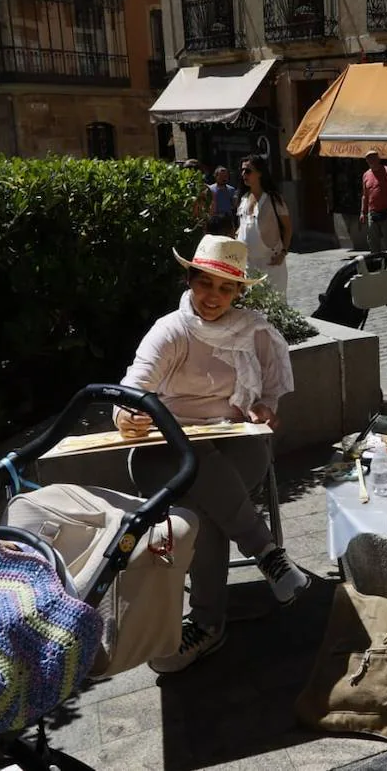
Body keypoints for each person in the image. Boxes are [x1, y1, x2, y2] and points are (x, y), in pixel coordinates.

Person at [115, 234, 309, 672]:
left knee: (200, 494)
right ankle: (265, 553)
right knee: (196, 479)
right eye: (205, 284)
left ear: (240, 292)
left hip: (234, 447)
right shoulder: (172, 331)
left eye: (226, 288)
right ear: (190, 280)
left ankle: (205, 626)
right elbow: (132, 389)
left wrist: (264, 408)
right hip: (162, 454)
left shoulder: (253, 330)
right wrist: (127, 417)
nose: (214, 297)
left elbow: (271, 395)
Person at [237, 156, 292, 301]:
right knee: (253, 306)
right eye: (242, 171)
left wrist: (283, 252)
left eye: (248, 171)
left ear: (260, 173)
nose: (243, 174)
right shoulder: (243, 199)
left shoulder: (274, 200)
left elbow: (287, 228)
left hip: (271, 264)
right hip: (249, 265)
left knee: (276, 305)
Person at [358, 149, 387, 254]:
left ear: (378, 158)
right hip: (372, 212)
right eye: (368, 159)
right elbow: (365, 195)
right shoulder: (366, 175)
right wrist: (363, 212)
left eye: (373, 157)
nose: (371, 160)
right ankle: (376, 260)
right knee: (372, 240)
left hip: (386, 211)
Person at [194, 166, 238, 236]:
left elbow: (234, 204)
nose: (224, 178)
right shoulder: (210, 190)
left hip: (227, 219)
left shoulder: (231, 190)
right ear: (216, 176)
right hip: (214, 220)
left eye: (226, 176)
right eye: (221, 176)